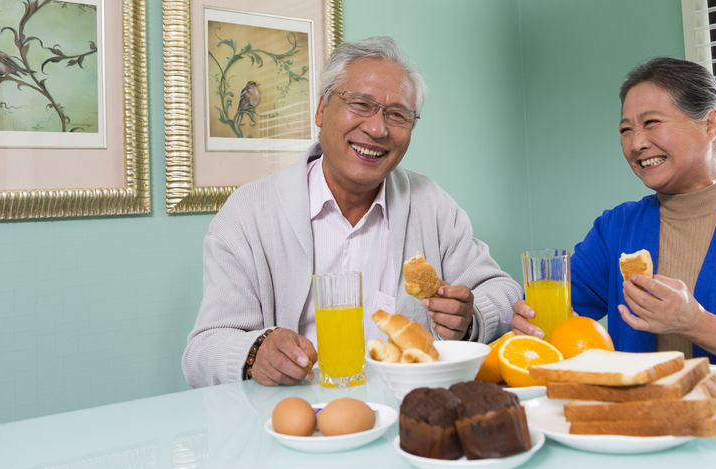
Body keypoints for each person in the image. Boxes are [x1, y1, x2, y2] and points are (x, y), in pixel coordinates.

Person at [184, 36, 522, 388]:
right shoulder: (248, 214)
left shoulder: (431, 204)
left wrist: (470, 318)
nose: (378, 129)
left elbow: (505, 291)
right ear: (321, 109)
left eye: (397, 115)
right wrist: (254, 353)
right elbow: (202, 351)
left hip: (408, 419)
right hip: (297, 422)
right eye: (361, 104)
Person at [512, 57, 716, 380]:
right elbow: (556, 321)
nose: (637, 143)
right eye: (625, 129)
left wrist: (697, 323)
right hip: (637, 429)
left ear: (709, 124)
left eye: (651, 123)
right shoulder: (615, 228)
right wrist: (529, 324)